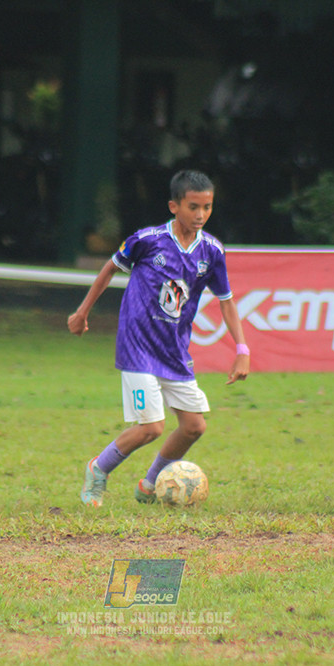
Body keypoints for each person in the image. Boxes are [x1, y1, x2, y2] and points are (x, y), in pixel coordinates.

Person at [67, 169, 250, 506]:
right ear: (173, 206)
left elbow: (226, 301)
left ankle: (150, 484)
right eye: (193, 207)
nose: (200, 215)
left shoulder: (211, 251)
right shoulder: (148, 240)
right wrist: (82, 312)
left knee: (194, 427)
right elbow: (110, 268)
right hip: (137, 346)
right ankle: (98, 470)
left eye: (207, 207)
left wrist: (242, 349)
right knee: (151, 427)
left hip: (174, 351)